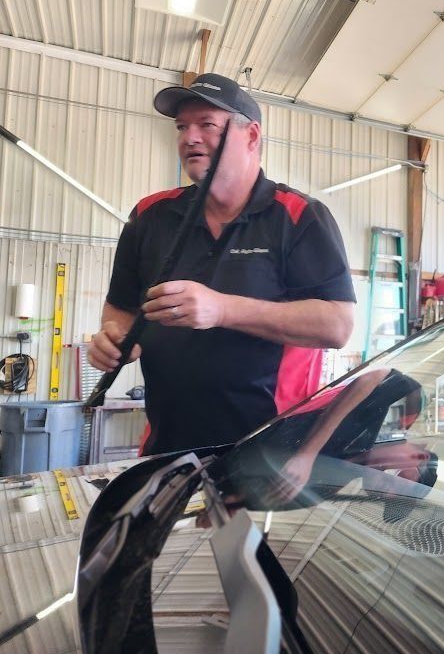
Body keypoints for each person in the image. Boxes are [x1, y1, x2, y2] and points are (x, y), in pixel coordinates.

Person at [88, 73, 355, 455]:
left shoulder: (298, 216)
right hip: (167, 447)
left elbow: (337, 326)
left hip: (269, 454)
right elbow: (121, 307)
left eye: (207, 125)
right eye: (182, 126)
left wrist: (222, 308)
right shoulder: (150, 216)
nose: (188, 137)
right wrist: (114, 338)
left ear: (251, 136)